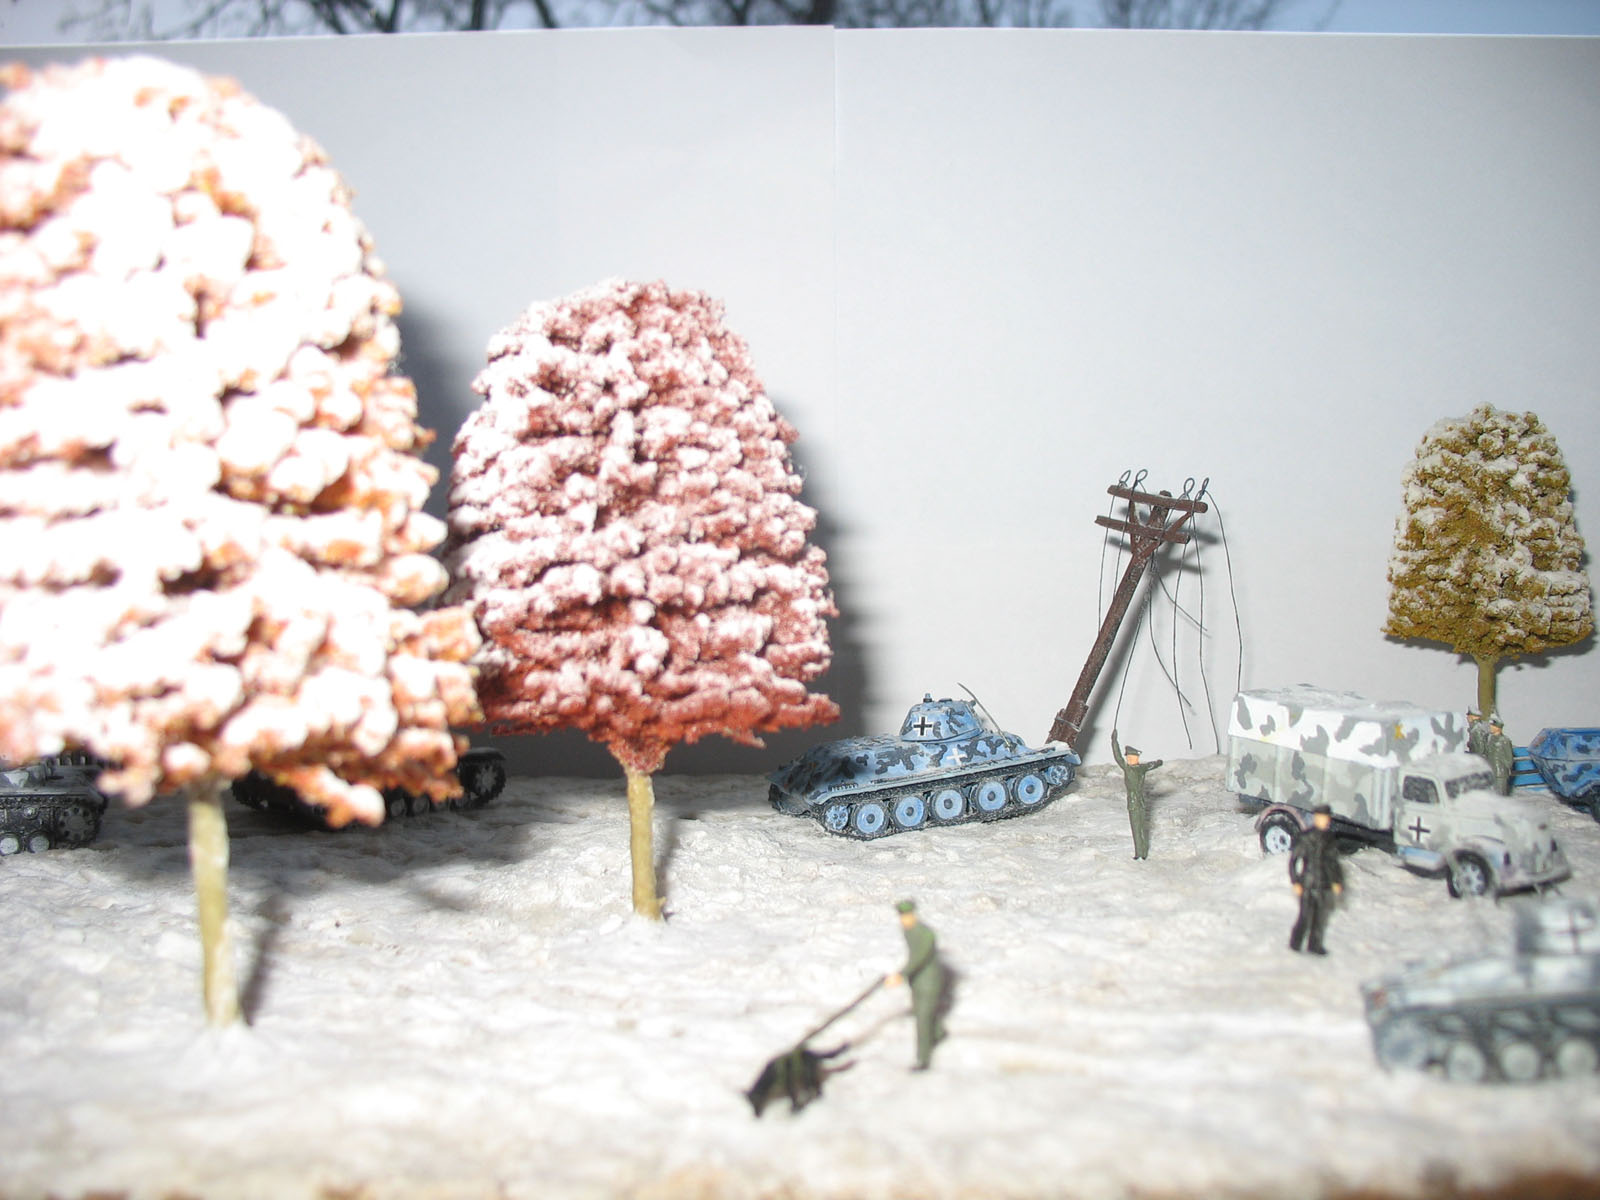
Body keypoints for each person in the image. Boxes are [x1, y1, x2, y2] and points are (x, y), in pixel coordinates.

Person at [885, 900, 948, 1070]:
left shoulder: (926, 934)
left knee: (921, 1019)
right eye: (902, 916)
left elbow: (919, 958)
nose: (904, 920)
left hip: (928, 981)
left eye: (907, 916)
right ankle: (937, 1032)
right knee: (923, 1011)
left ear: (913, 915)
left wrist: (901, 975)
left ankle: (923, 1059)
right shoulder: (908, 931)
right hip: (917, 981)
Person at [1288, 805, 1343, 955]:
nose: (1325, 821)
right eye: (1321, 818)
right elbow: (1294, 861)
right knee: (1305, 916)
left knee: (1319, 917)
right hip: (1308, 882)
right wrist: (1296, 881)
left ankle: (1314, 945)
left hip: (1323, 883)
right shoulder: (1306, 837)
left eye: (1327, 818)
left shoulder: (1329, 839)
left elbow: (1333, 862)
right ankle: (1295, 943)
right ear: (1316, 818)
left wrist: (1337, 881)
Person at [1111, 729, 1163, 860]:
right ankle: (1140, 853)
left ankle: (1142, 853)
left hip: (1138, 803)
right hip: (1135, 802)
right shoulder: (1130, 768)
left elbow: (1151, 765)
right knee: (1137, 829)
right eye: (1130, 757)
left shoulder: (1138, 769)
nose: (1130, 759)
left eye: (1132, 757)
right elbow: (1118, 757)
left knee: (1139, 828)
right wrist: (1114, 741)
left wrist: (1158, 763)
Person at [1483, 715, 1515, 795]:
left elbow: (1509, 759)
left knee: (1500, 794)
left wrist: (1507, 768)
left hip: (1500, 772)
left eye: (1492, 726)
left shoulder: (1504, 740)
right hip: (1491, 770)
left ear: (1498, 728)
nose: (1490, 727)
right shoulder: (1490, 738)